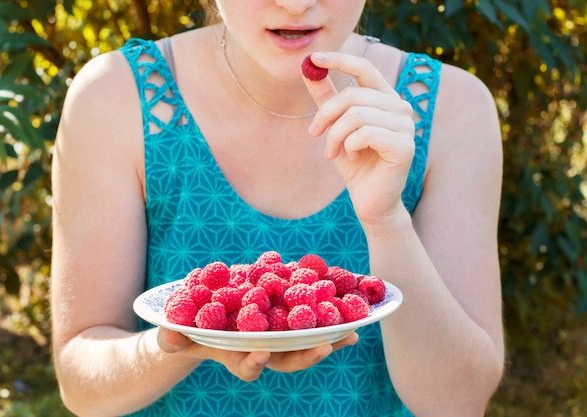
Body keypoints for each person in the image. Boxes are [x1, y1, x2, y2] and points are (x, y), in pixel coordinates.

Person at [50, 0, 505, 415]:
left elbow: (458, 401)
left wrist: (385, 220)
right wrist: (179, 341)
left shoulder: (451, 109)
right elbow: (82, 383)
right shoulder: (114, 98)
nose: (295, 5)